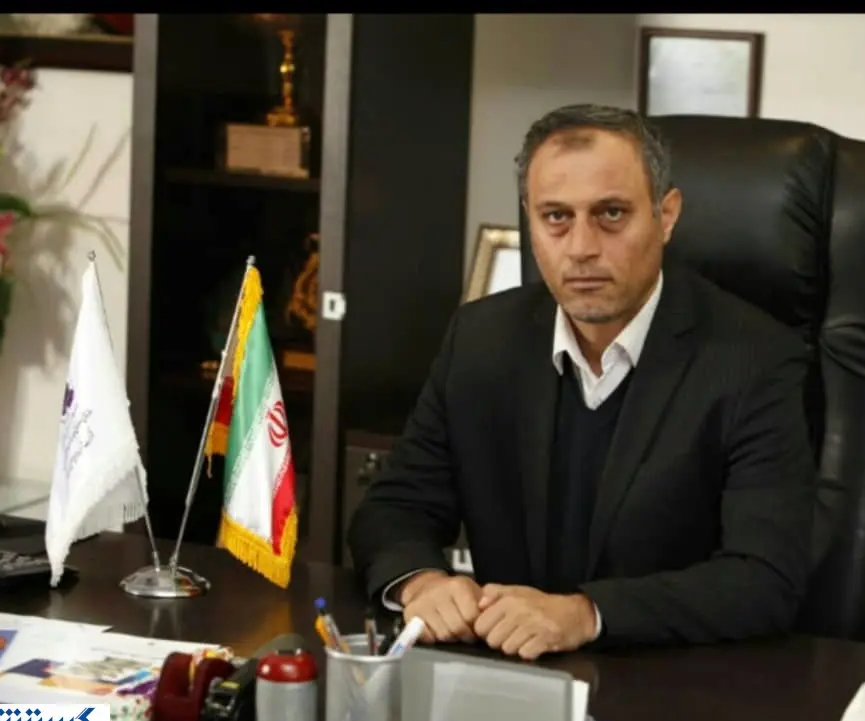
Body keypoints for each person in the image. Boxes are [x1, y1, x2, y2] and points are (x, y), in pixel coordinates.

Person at [349, 103, 816, 660]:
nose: (580, 248)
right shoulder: (481, 339)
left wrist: (587, 614)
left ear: (666, 215)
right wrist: (421, 582)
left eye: (611, 214)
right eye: (556, 217)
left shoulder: (754, 360)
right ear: (530, 220)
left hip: (673, 682)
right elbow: (394, 508)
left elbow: (763, 579)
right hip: (509, 677)